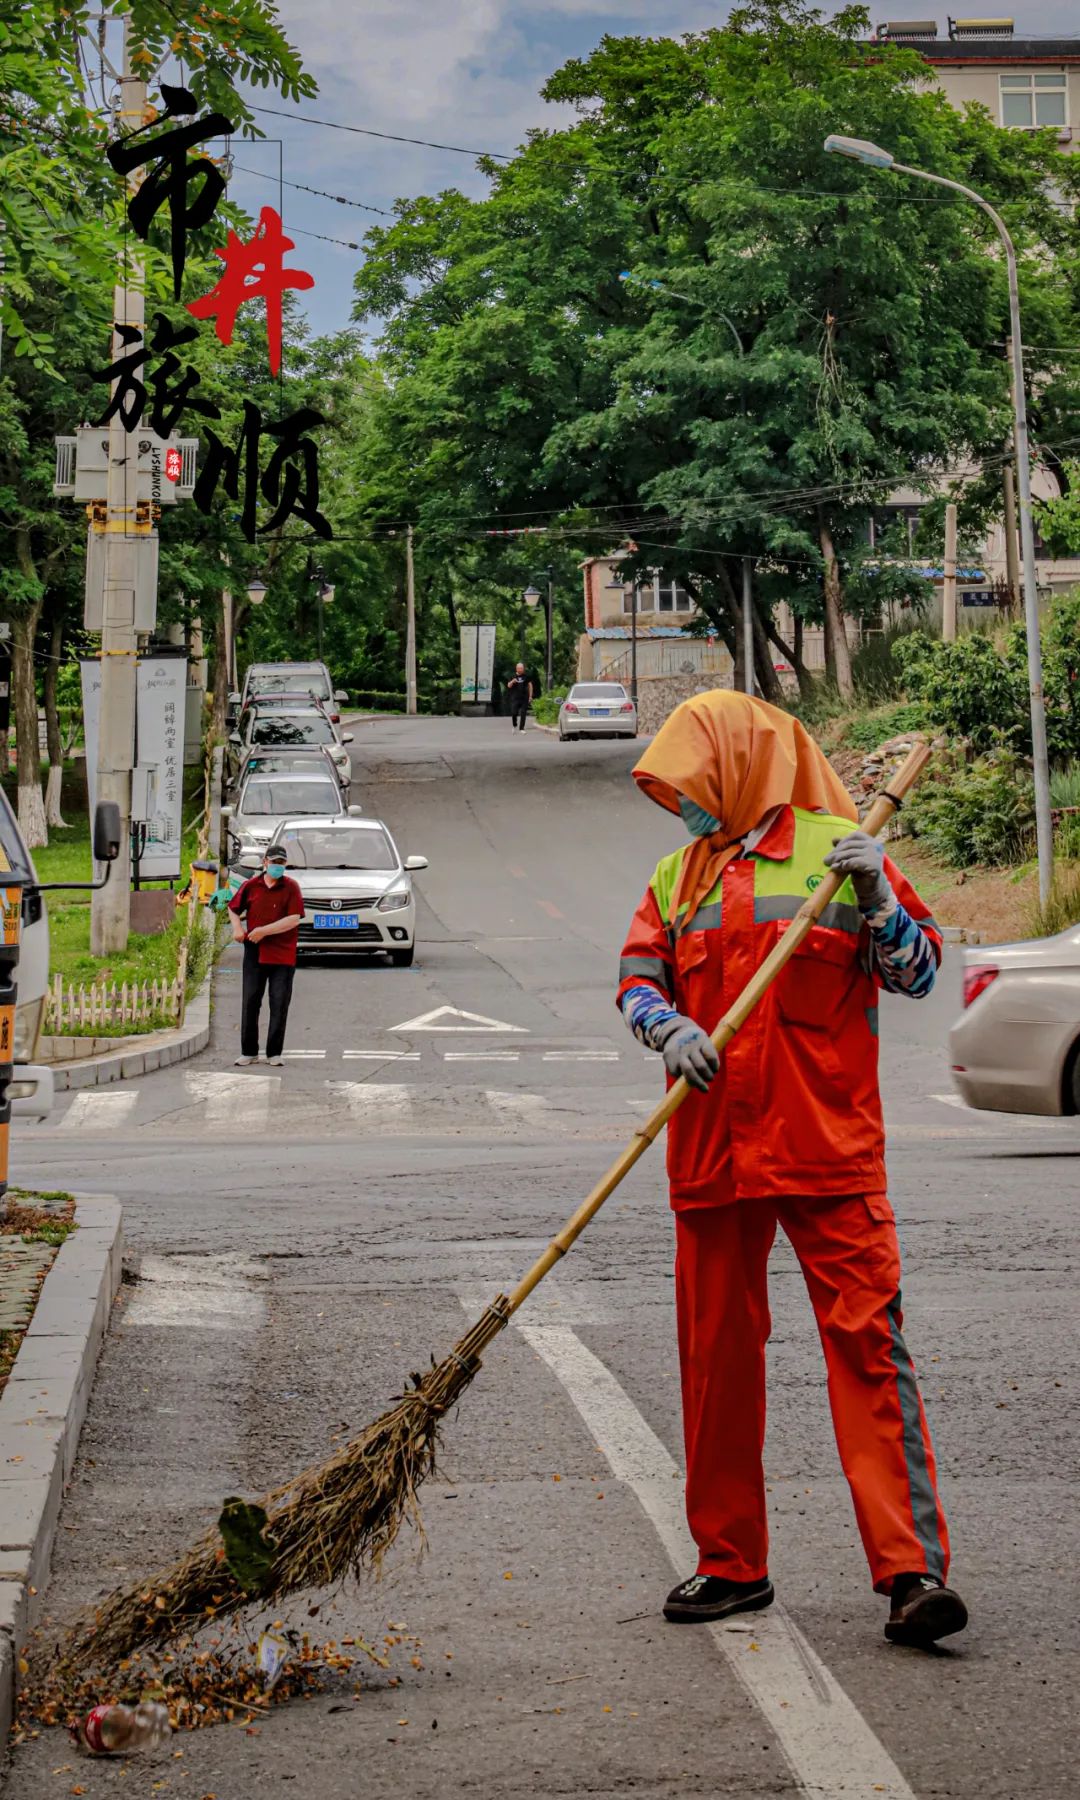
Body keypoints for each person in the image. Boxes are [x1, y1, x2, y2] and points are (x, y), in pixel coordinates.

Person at [617, 690, 967, 1649]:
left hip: (828, 1149)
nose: (683, 800)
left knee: (867, 1352)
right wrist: (666, 1024)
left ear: (740, 764)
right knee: (715, 1362)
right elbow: (636, 977)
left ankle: (911, 1573)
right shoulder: (678, 874)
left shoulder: (842, 849)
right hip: (711, 1150)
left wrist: (879, 899)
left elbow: (918, 971)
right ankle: (732, 1566)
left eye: (692, 780)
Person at [228, 844, 305, 1067]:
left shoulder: (291, 888)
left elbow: (293, 919)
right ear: (265, 863)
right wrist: (237, 929)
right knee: (250, 1001)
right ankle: (248, 1051)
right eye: (274, 863)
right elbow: (234, 908)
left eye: (282, 864)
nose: (277, 867)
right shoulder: (251, 886)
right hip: (254, 951)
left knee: (279, 1002)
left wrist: (264, 930)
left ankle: (274, 1052)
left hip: (282, 952)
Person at [506, 663, 532, 731]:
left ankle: (521, 728)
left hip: (524, 697)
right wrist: (512, 681)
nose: (520, 670)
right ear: (516, 668)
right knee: (514, 713)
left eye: (522, 668)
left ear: (523, 669)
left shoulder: (526, 676)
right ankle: (514, 724)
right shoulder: (512, 676)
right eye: (519, 668)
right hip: (515, 698)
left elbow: (530, 686)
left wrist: (530, 696)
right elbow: (508, 686)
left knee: (523, 713)